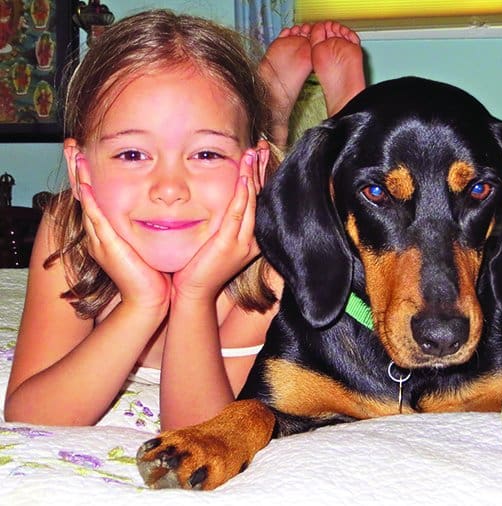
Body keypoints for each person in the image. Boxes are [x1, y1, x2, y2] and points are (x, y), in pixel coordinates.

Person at [4, 10, 365, 430]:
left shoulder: (273, 260)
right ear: (80, 168)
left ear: (254, 167)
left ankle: (349, 122)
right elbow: (31, 416)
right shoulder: (67, 228)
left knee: (344, 214)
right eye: (133, 154)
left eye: (206, 154)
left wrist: (195, 295)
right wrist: (142, 304)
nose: (170, 188)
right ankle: (267, 115)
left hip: (269, 192)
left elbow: (197, 437)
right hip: (250, 158)